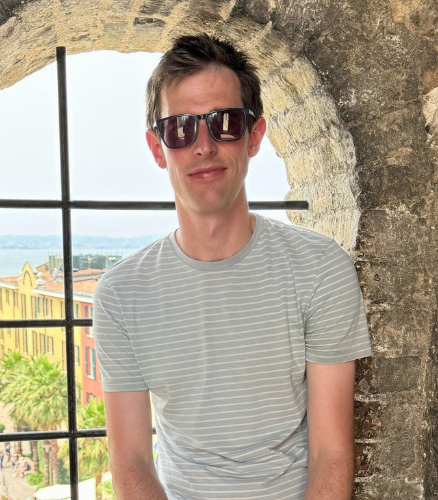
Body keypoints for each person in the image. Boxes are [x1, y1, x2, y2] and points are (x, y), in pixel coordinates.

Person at [94, 34, 372, 500]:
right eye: (181, 128)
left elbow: (332, 453)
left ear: (254, 136)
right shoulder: (122, 294)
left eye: (224, 122)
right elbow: (132, 462)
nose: (203, 145)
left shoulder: (321, 271)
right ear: (158, 147)